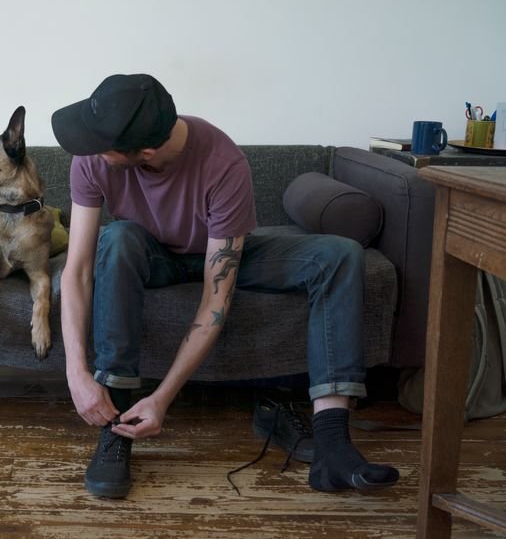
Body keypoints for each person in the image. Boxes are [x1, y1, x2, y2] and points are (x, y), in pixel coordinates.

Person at [50, 73, 400, 498]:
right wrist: (76, 373)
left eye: (103, 147)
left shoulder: (223, 163)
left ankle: (332, 444)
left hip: (216, 252)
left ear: (144, 152)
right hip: (150, 254)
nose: (91, 150)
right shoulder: (91, 157)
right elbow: (78, 268)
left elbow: (216, 298)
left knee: (341, 254)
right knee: (117, 238)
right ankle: (116, 426)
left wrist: (163, 398)